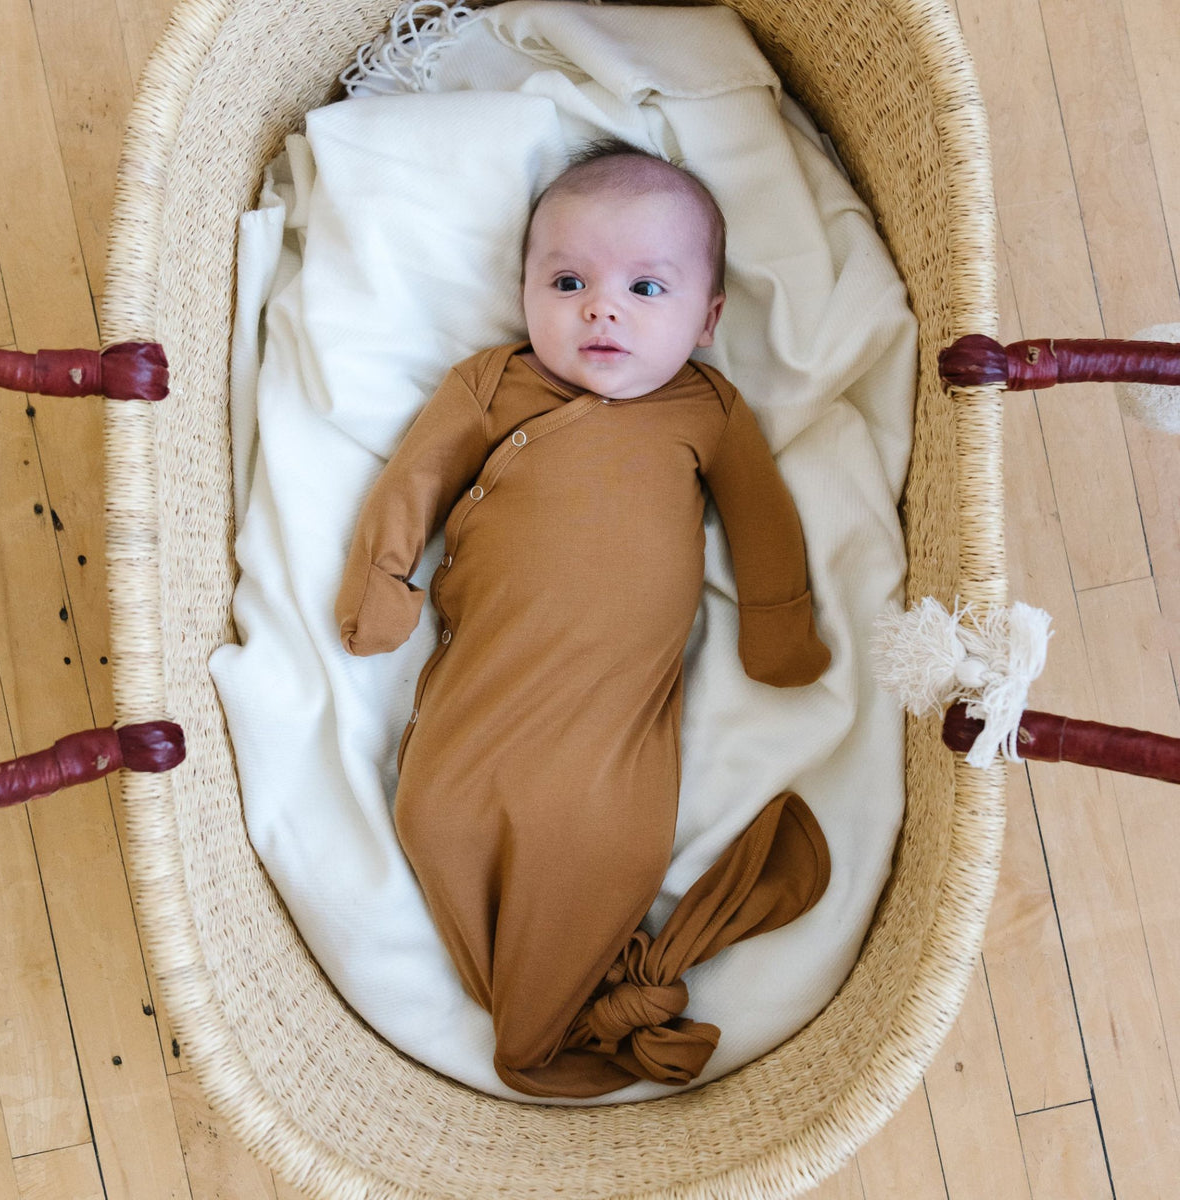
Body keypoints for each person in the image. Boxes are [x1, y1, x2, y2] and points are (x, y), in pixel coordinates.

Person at [335, 140, 832, 1099]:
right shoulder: (495, 384)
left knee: (614, 843)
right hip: (490, 679)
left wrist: (777, 628)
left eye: (648, 287)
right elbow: (416, 478)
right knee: (432, 814)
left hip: (619, 711)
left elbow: (766, 523)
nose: (602, 307)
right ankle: (539, 1009)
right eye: (568, 280)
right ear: (524, 291)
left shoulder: (707, 410)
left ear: (707, 320)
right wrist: (384, 581)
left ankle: (553, 1014)